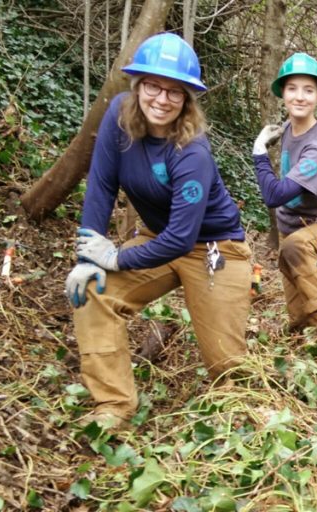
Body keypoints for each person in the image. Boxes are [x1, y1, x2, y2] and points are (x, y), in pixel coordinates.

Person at [64, 33, 253, 428]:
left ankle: (240, 415)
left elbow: (183, 239)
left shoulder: (191, 151)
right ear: (137, 85)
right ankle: (113, 406)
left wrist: (114, 256)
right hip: (157, 238)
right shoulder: (118, 115)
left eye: (175, 91)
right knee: (93, 292)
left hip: (215, 249)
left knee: (229, 367)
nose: (161, 99)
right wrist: (88, 259)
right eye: (153, 85)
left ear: (187, 98)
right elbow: (100, 185)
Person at [250, 52, 317, 331]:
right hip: (289, 228)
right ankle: (314, 351)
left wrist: (259, 152)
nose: (299, 97)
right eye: (292, 88)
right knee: (299, 318)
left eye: (308, 90)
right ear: (283, 93)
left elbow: (274, 195)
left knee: (296, 248)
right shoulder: (288, 129)